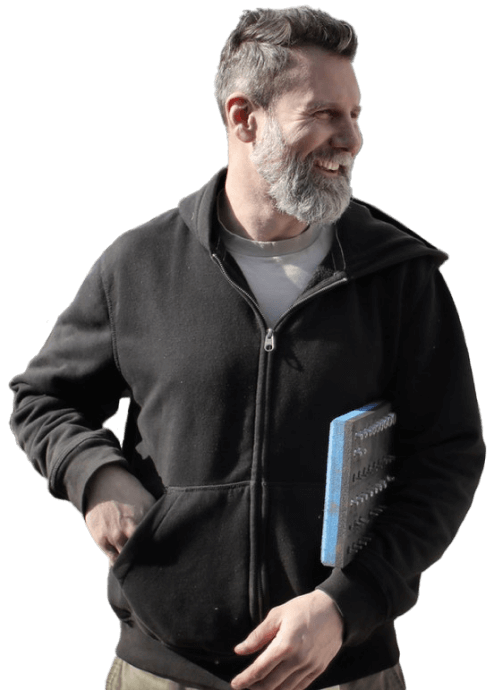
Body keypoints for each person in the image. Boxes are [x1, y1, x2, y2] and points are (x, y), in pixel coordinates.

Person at [9, 6, 485, 690]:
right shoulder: (138, 265)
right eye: (324, 113)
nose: (351, 138)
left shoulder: (399, 275)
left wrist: (345, 604)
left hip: (343, 669)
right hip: (161, 670)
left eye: (355, 114)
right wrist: (93, 474)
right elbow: (41, 397)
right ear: (244, 117)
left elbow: (449, 455)